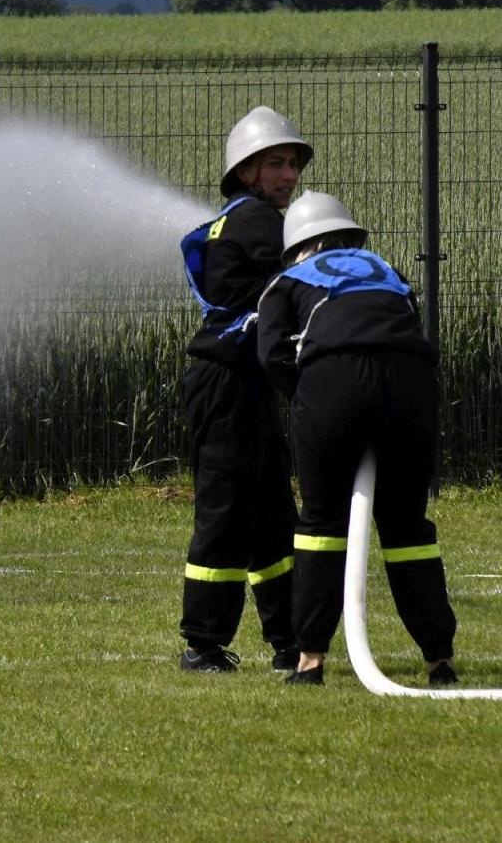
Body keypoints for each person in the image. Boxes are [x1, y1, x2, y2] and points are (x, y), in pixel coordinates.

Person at [255, 191, 457, 686]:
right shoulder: (388, 272)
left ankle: (310, 661)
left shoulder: (287, 280)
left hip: (334, 379)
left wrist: (314, 402)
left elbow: (272, 355)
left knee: (322, 523)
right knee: (408, 528)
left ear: (297, 244)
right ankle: (440, 659)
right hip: (411, 382)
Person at [176, 105, 311, 672]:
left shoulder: (241, 219)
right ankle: (203, 644)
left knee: (271, 515)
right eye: (275, 164)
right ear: (246, 172)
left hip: (240, 385)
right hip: (228, 384)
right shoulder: (256, 219)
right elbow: (301, 278)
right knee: (228, 512)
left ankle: (288, 642)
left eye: (292, 166)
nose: (288, 176)